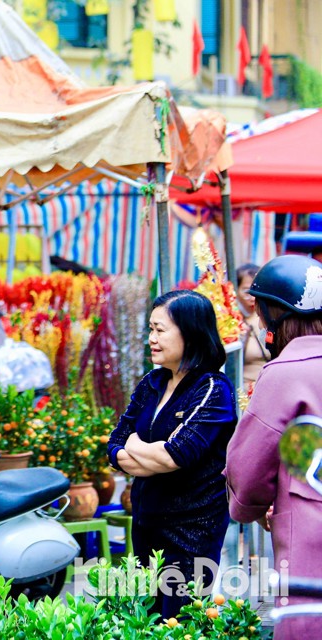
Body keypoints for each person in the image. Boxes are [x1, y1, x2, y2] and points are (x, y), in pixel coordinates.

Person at [107, 289, 237, 619]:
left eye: (160, 330)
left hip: (192, 530)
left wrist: (136, 447)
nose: (152, 338)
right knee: (145, 618)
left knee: (178, 622)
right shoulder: (152, 382)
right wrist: (148, 455)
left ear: (190, 333)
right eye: (150, 329)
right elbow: (114, 446)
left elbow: (176, 455)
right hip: (147, 521)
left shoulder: (212, 388)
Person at [225, 255, 322, 640]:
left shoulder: (285, 374)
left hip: (309, 567)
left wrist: (251, 506)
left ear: (274, 316)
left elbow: (247, 471)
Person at [236, 263, 269, 387]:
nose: (252, 298)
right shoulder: (229, 322)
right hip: (242, 390)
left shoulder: (269, 320)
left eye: (256, 292)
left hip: (267, 386)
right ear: (235, 290)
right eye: (246, 292)